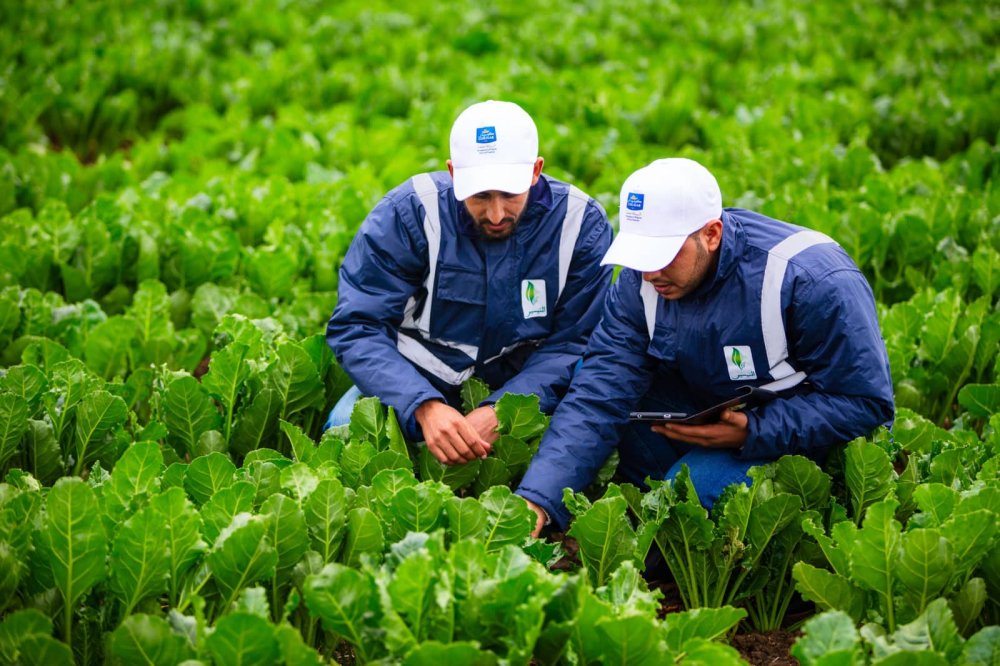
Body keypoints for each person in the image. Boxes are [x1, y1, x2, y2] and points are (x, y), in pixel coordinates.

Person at [516, 158, 895, 533]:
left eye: (662, 255)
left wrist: (752, 431)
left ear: (711, 234)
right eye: (640, 256)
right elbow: (600, 391)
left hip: (793, 433)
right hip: (705, 413)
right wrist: (537, 500)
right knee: (590, 378)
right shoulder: (641, 282)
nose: (650, 274)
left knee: (684, 499)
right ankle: (645, 511)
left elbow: (865, 403)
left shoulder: (813, 279)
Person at [326, 100, 613, 465]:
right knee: (344, 429)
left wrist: (502, 410)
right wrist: (423, 405)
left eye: (510, 194)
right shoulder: (409, 212)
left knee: (587, 443)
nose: (495, 214)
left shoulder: (580, 224)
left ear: (536, 170)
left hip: (526, 384)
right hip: (417, 376)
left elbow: (575, 341)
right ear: (452, 173)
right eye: (479, 196)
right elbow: (357, 326)